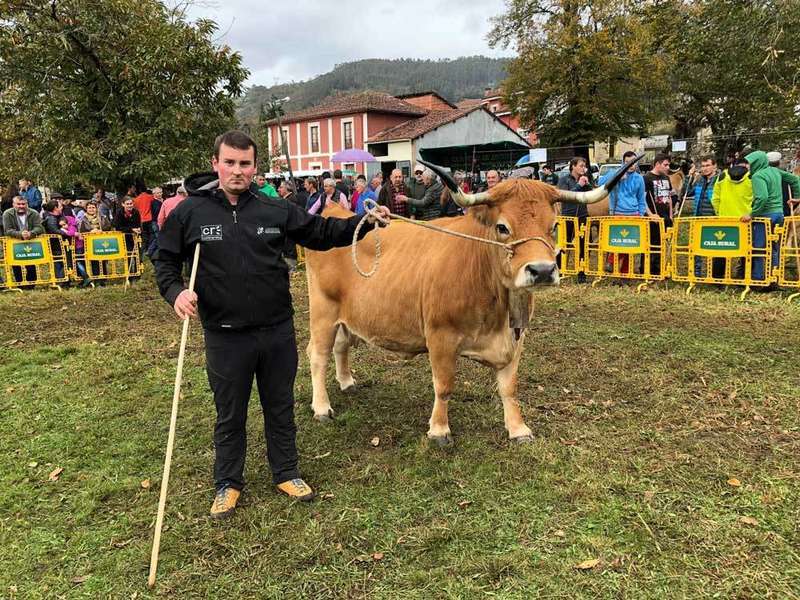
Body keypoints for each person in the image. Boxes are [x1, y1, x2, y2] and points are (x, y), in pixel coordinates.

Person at [154, 129, 390, 519]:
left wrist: (362, 223)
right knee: (230, 412)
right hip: (225, 334)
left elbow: (319, 233)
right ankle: (227, 483)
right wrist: (176, 291)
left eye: (244, 163)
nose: (237, 170)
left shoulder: (273, 210)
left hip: (276, 329)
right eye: (229, 162)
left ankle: (286, 471)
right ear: (216, 163)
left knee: (279, 405)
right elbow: (164, 260)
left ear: (255, 167)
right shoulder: (190, 213)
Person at [743, 150, 800, 285]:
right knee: (774, 246)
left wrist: (751, 214)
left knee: (759, 247)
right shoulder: (775, 171)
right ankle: (775, 276)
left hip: (765, 215)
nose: (747, 167)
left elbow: (762, 198)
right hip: (779, 214)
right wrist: (796, 198)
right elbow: (795, 179)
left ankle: (759, 279)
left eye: (749, 163)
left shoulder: (758, 176)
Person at [598, 150, 646, 274]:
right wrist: (616, 176)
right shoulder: (616, 173)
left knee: (630, 245)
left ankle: (625, 273)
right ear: (623, 163)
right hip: (617, 214)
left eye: (633, 162)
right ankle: (612, 265)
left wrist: (640, 214)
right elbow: (600, 183)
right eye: (627, 163)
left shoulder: (639, 179)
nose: (631, 165)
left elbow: (641, 198)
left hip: (634, 214)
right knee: (617, 243)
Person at [711, 157, 753, 279]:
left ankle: (717, 278)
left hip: (724, 220)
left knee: (720, 249)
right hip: (745, 221)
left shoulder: (722, 176)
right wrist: (750, 213)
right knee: (746, 250)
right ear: (746, 165)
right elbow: (755, 198)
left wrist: (719, 213)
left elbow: (715, 198)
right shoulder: (751, 178)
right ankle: (742, 276)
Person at [686, 156, 721, 277]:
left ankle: (714, 274)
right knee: (696, 247)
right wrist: (689, 178)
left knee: (714, 246)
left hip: (713, 218)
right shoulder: (700, 180)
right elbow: (686, 192)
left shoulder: (719, 180)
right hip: (698, 217)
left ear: (714, 166)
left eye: (707, 165)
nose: (705, 169)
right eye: (703, 166)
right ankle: (696, 273)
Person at [558, 157, 592, 283]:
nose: (583, 168)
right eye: (581, 165)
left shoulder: (585, 179)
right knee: (563, 244)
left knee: (583, 246)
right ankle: (560, 271)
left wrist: (587, 185)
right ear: (573, 166)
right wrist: (579, 185)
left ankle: (581, 273)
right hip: (568, 217)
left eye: (584, 166)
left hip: (582, 216)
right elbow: (564, 196)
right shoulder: (564, 179)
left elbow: (590, 195)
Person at [2, 195, 44, 285]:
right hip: (14, 244)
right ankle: (20, 283)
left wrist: (31, 233)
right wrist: (20, 234)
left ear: (27, 204)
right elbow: (7, 230)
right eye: (18, 204)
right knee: (16, 264)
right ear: (13, 204)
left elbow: (39, 228)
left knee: (31, 263)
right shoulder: (7, 214)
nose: (21, 206)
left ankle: (31, 283)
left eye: (23, 204)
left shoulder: (34, 213)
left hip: (31, 242)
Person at [643, 153, 674, 275]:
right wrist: (650, 214)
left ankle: (660, 269)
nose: (668, 167)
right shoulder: (646, 178)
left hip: (666, 216)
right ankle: (649, 270)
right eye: (665, 165)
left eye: (668, 165)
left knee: (663, 243)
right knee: (652, 244)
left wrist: (671, 214)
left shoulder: (666, 178)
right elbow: (643, 199)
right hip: (653, 217)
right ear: (657, 164)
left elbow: (670, 197)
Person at [113, 196, 143, 277]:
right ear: (123, 204)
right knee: (129, 255)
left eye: (131, 203)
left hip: (136, 236)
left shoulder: (136, 212)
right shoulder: (119, 213)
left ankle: (137, 272)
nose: (130, 205)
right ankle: (129, 273)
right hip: (125, 237)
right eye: (127, 204)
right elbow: (118, 226)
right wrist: (131, 229)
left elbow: (138, 223)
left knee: (138, 254)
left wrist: (138, 229)